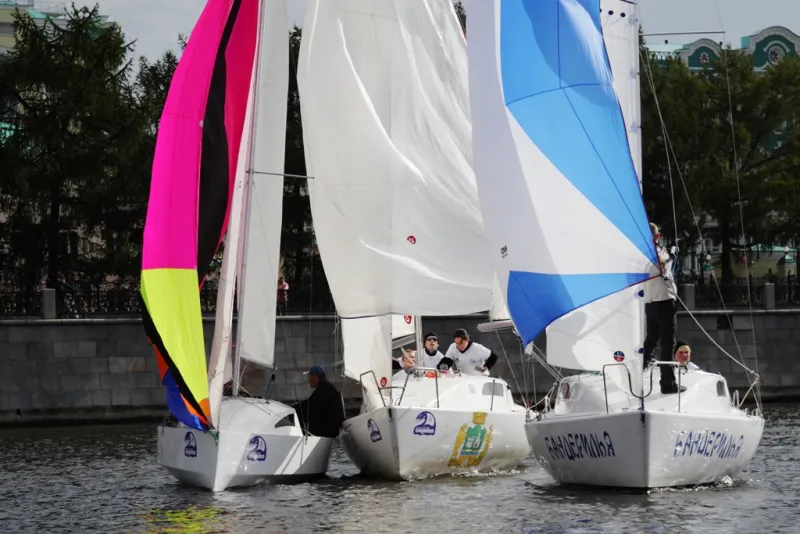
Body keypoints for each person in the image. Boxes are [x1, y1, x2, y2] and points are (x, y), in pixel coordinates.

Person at [643, 222, 684, 394]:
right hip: (664, 302)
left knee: (651, 341)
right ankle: (668, 383)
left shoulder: (640, 253)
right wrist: (672, 256)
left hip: (650, 303)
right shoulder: (655, 252)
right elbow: (663, 268)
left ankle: (638, 372)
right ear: (657, 236)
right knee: (667, 343)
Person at [291, 365, 345, 438]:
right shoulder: (325, 387)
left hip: (329, 430)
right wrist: (296, 407)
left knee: (300, 421)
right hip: (332, 427)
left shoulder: (323, 391)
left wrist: (293, 411)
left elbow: (310, 408)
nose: (308, 380)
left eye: (309, 376)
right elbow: (311, 403)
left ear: (315, 377)